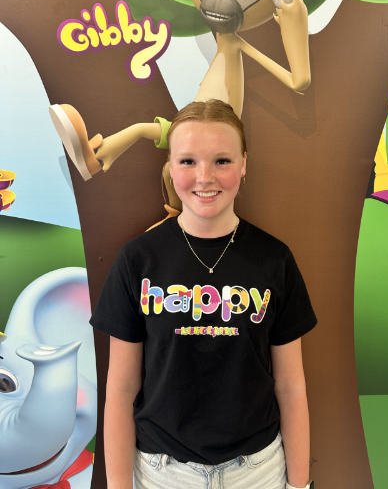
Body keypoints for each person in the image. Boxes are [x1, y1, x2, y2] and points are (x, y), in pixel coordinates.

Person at [90, 99, 317, 489]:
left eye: (222, 161)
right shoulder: (137, 260)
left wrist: (299, 486)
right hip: (163, 474)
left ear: (243, 164)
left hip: (258, 472)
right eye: (188, 161)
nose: (204, 177)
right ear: (171, 166)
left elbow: (291, 386)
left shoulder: (274, 259)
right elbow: (121, 389)